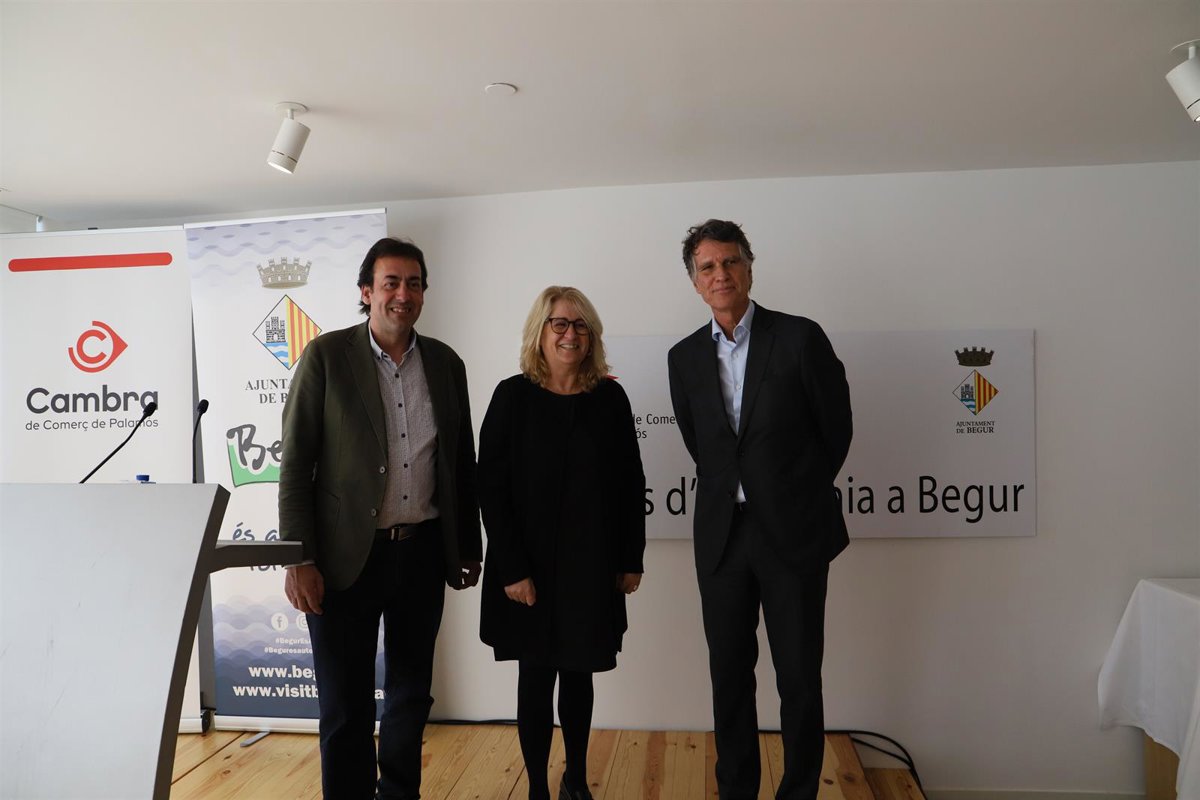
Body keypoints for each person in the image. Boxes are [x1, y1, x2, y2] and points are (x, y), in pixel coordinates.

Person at [278, 236, 482, 800]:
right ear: (366, 291)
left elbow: (460, 462)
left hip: (420, 553)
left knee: (411, 697)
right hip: (343, 560)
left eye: (414, 283)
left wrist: (467, 545)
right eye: (391, 282)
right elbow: (295, 464)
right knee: (344, 704)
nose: (403, 294)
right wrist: (299, 558)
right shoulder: (326, 356)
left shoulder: (445, 363)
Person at [667, 220, 852, 800]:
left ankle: (798, 791)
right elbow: (703, 445)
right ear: (695, 282)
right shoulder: (683, 357)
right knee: (729, 676)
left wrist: (789, 493)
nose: (720, 275)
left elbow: (836, 430)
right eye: (707, 267)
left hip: (792, 535)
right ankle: (736, 791)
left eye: (730, 262)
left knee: (798, 678)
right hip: (723, 539)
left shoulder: (799, 338)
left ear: (749, 267)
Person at [478, 286, 646, 800]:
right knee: (535, 677)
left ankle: (575, 778)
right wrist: (511, 569)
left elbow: (630, 484)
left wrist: (631, 558)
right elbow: (491, 488)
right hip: (527, 569)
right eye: (560, 324)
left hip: (590, 567)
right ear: (540, 332)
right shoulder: (511, 396)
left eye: (580, 326)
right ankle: (536, 786)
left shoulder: (610, 399)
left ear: (591, 337)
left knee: (579, 675)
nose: (570, 334)